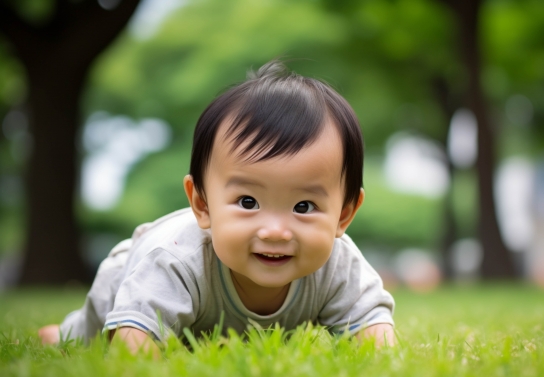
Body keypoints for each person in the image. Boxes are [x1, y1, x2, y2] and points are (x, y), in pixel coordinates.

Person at [39, 61, 395, 354]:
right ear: (201, 203)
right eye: (248, 202)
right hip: (130, 274)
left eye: (303, 206)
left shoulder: (338, 265)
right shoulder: (176, 261)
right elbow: (131, 354)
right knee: (84, 338)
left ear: (344, 214)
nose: (274, 230)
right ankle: (61, 333)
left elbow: (375, 339)